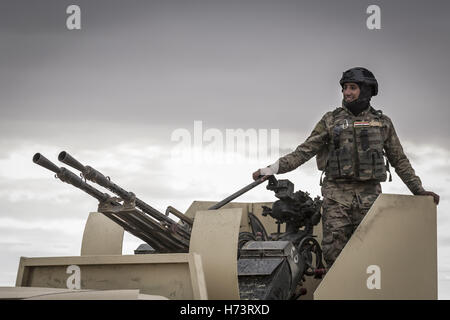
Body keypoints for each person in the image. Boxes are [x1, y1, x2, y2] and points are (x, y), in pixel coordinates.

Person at [252, 67, 440, 268]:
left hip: (370, 198)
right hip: (336, 198)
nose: (346, 92)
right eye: (344, 88)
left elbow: (399, 160)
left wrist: (418, 190)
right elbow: (304, 151)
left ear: (366, 90)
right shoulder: (330, 120)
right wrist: (272, 169)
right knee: (334, 254)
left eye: (352, 88)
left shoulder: (382, 123)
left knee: (371, 253)